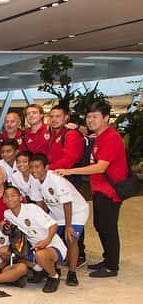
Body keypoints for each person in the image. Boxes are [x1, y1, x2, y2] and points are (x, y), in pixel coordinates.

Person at [56, 102, 127, 278]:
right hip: (100, 190)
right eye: (89, 116)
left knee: (108, 227)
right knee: (100, 225)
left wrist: (70, 170)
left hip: (111, 191)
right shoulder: (100, 136)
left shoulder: (111, 138)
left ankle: (112, 266)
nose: (91, 120)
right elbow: (87, 134)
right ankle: (108, 259)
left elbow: (100, 167)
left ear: (106, 118)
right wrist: (79, 127)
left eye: (95, 117)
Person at [30, 153, 89, 286]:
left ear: (46, 167)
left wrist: (68, 226)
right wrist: (43, 223)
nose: (34, 170)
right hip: (56, 213)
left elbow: (67, 203)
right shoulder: (34, 180)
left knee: (71, 238)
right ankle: (53, 268)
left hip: (75, 212)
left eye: (37, 167)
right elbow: (40, 204)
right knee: (48, 237)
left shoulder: (56, 180)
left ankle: (72, 273)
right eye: (32, 167)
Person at [3, 186, 67, 293]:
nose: (10, 199)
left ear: (20, 198)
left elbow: (53, 225)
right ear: (3, 200)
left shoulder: (32, 208)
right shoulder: (7, 214)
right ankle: (39, 270)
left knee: (40, 255)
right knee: (5, 252)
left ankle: (53, 276)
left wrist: (46, 240)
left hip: (52, 245)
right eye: (7, 197)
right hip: (33, 246)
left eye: (13, 196)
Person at [47, 105, 86, 190]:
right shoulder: (54, 134)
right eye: (52, 116)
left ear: (66, 117)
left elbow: (69, 160)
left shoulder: (71, 134)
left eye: (58, 116)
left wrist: (48, 168)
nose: (54, 119)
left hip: (68, 177)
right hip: (56, 175)